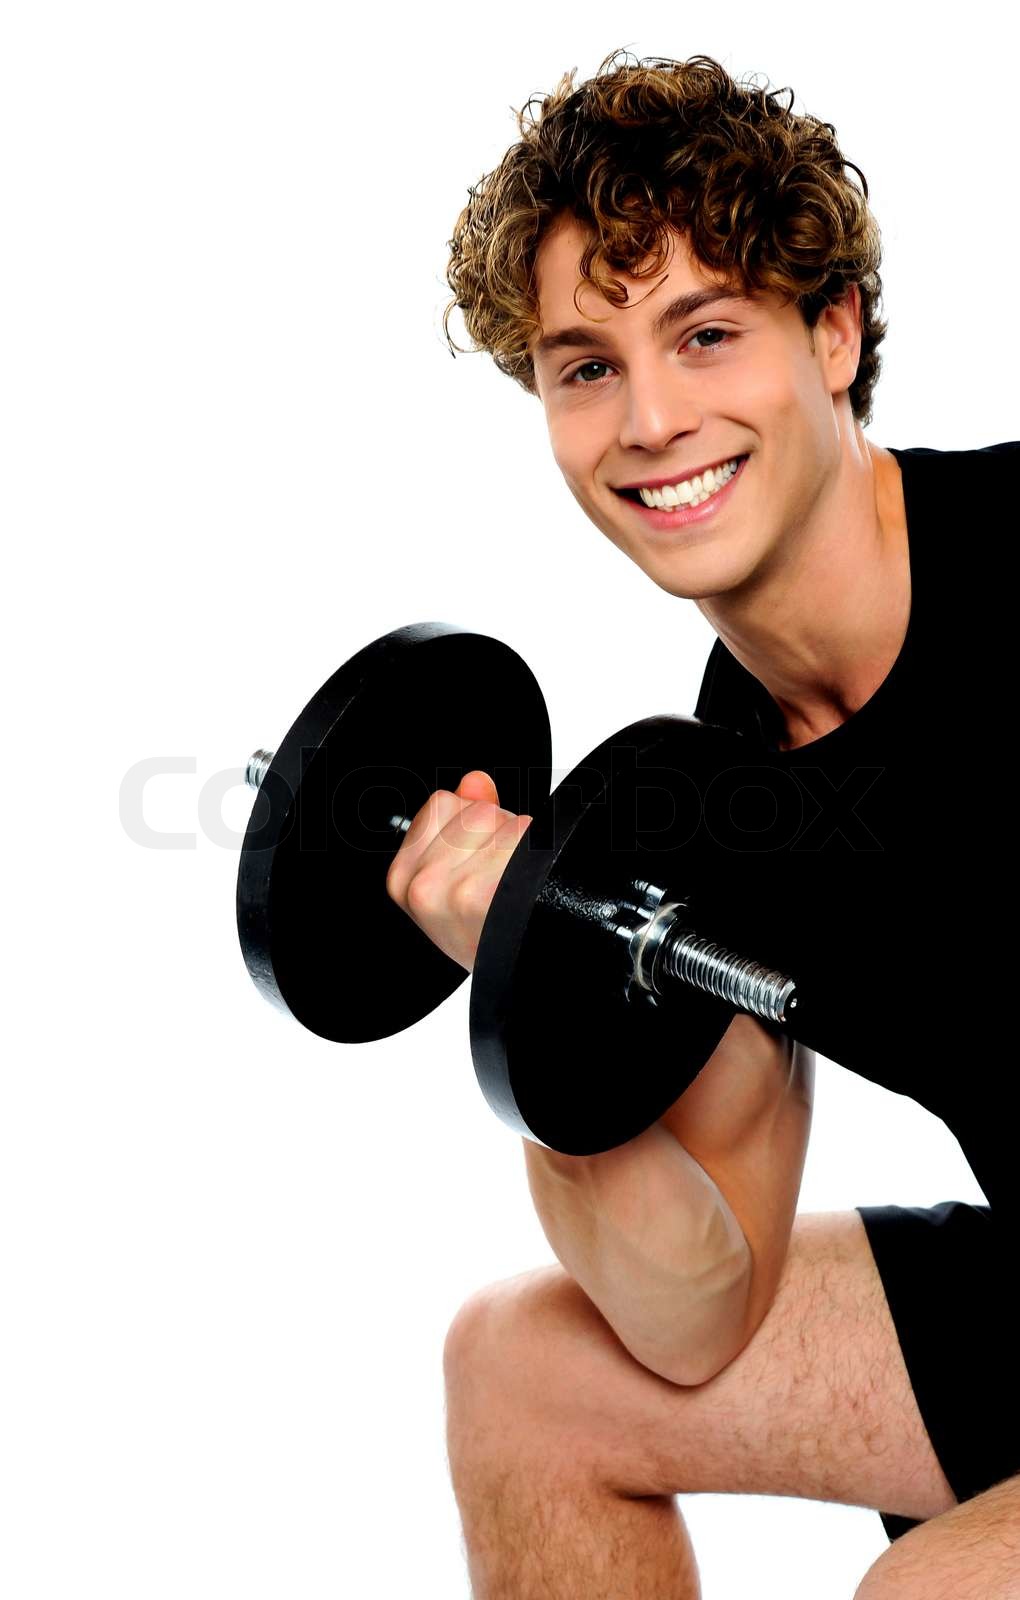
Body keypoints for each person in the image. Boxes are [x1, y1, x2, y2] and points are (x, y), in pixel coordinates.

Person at [385, 50, 1019, 1597]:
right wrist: (529, 970)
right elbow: (694, 1318)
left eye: (707, 333)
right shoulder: (711, 798)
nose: (651, 419)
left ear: (835, 332)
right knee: (523, 1373)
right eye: (586, 365)